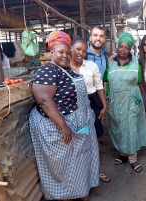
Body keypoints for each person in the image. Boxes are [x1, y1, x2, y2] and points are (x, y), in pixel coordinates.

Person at [29, 30, 99, 200]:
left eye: (68, 52)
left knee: (79, 159)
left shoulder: (66, 70)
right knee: (63, 163)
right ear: (51, 52)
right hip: (57, 126)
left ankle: (81, 190)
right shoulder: (47, 71)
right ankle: (64, 194)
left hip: (77, 123)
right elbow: (44, 100)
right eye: (61, 52)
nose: (66, 56)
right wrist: (63, 125)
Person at [104, 32, 146, 173]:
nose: (123, 50)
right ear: (116, 47)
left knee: (131, 129)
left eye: (127, 47)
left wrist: (144, 101)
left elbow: (141, 83)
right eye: (121, 47)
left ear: (130, 50)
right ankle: (123, 154)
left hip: (132, 100)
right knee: (118, 128)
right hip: (115, 101)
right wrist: (107, 99)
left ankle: (133, 159)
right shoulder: (110, 64)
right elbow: (105, 82)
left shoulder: (136, 62)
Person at [70, 36, 110, 183]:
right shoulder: (64, 67)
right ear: (71, 49)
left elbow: (99, 86)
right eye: (78, 49)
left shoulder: (91, 66)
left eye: (84, 51)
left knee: (95, 138)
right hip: (73, 107)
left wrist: (104, 106)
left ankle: (95, 172)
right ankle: (80, 174)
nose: (81, 53)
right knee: (78, 139)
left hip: (92, 104)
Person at [84, 25, 111, 183]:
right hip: (80, 98)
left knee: (97, 135)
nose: (98, 38)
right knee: (81, 136)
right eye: (95, 35)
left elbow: (101, 82)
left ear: (104, 39)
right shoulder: (81, 52)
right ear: (90, 37)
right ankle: (83, 172)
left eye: (101, 36)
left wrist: (103, 104)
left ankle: (95, 171)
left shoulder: (104, 55)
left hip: (96, 97)